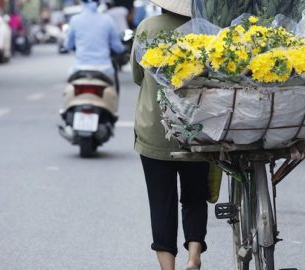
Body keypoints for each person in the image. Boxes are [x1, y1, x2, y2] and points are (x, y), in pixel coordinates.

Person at [131, 0, 210, 269]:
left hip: (154, 130)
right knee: (195, 196)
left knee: (161, 201)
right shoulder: (204, 30)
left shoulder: (146, 27)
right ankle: (194, 255)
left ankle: (168, 268)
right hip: (197, 130)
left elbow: (137, 75)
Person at [63, 0, 124, 88]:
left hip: (79, 68)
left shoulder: (75, 20)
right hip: (104, 69)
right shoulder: (107, 20)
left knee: (68, 88)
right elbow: (117, 47)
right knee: (112, 88)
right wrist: (123, 49)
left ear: (81, 2)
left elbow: (68, 45)